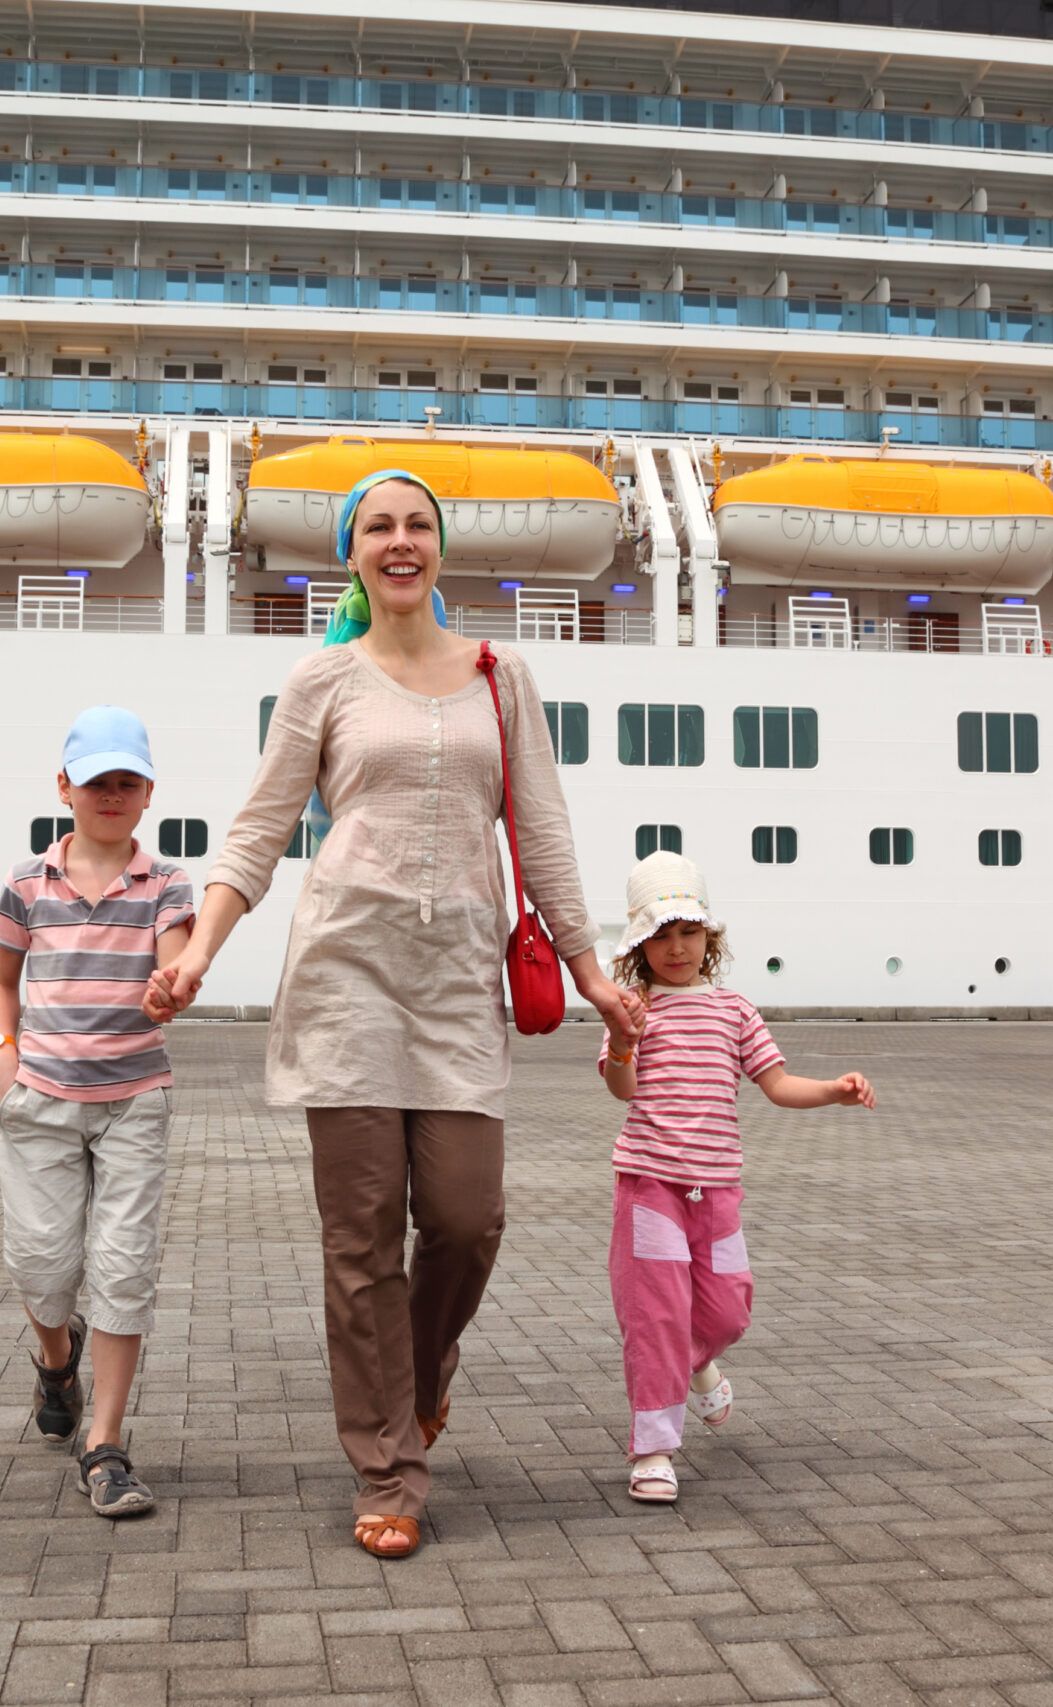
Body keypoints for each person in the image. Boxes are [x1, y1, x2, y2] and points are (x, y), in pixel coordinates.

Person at [151, 468, 639, 1558]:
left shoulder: (498, 675)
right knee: (360, 1238)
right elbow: (259, 831)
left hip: (459, 978)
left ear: (442, 548)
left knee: (468, 1221)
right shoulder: (322, 679)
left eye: (418, 524)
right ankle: (388, 1466)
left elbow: (542, 831)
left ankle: (417, 1375)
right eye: (379, 527)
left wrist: (591, 969)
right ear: (352, 551)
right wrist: (197, 948)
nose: (400, 541)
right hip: (346, 976)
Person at [598, 851, 875, 1505]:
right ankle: (654, 1450)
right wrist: (624, 1040)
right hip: (651, 1186)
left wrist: (834, 1091)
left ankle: (696, 1362)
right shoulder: (635, 1009)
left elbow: (776, 1084)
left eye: (688, 931)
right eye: (661, 935)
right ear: (641, 944)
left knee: (727, 1308)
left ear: (709, 937)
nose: (676, 946)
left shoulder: (734, 1011)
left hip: (713, 1190)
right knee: (657, 1318)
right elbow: (620, 1087)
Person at [0, 705, 195, 1518]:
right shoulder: (25, 882)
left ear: (147, 794)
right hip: (39, 1099)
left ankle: (105, 1444)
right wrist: (2, 1057)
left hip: (133, 1101)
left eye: (127, 781)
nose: (112, 793)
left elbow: (173, 963)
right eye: (97, 779)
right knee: (41, 1263)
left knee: (122, 1266)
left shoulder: (167, 884)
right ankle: (55, 1355)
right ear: (64, 785)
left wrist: (168, 986)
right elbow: (3, 980)